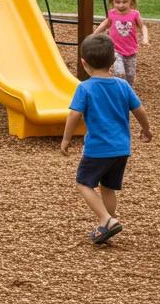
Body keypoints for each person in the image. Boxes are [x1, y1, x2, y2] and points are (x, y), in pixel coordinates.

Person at [61, 33, 153, 245]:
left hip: (97, 149)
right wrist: (146, 129)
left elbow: (74, 114)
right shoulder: (123, 86)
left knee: (83, 183)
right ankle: (106, 227)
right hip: (121, 148)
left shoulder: (85, 88)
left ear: (84, 63)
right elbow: (139, 110)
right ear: (113, 61)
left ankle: (106, 219)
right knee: (108, 187)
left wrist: (66, 139)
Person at [92, 0, 149, 87]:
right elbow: (105, 24)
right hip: (115, 49)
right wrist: (94, 34)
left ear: (130, 1)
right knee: (119, 72)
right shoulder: (112, 14)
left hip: (131, 50)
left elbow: (143, 27)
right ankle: (117, 89)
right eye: (117, 2)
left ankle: (127, 90)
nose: (121, 5)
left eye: (124, 2)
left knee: (130, 75)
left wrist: (145, 38)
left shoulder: (134, 14)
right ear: (112, 1)